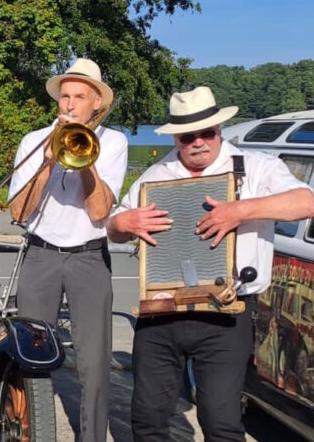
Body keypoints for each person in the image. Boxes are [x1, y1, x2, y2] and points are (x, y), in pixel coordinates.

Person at [107, 86, 314, 441]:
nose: (199, 142)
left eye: (208, 133)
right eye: (189, 136)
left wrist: (240, 210)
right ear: (176, 137)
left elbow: (306, 201)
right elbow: (115, 225)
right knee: (147, 419)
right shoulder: (156, 175)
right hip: (161, 311)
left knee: (221, 422)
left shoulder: (256, 167)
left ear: (219, 130)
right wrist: (123, 224)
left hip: (226, 312)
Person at [6, 58, 128, 442]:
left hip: (89, 257)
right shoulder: (33, 141)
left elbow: (99, 211)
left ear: (97, 104)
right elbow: (19, 212)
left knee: (93, 362)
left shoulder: (113, 142)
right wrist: (46, 162)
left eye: (79, 97)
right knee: (30, 352)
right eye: (65, 97)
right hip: (40, 254)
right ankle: (29, 431)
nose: (70, 105)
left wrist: (84, 156)